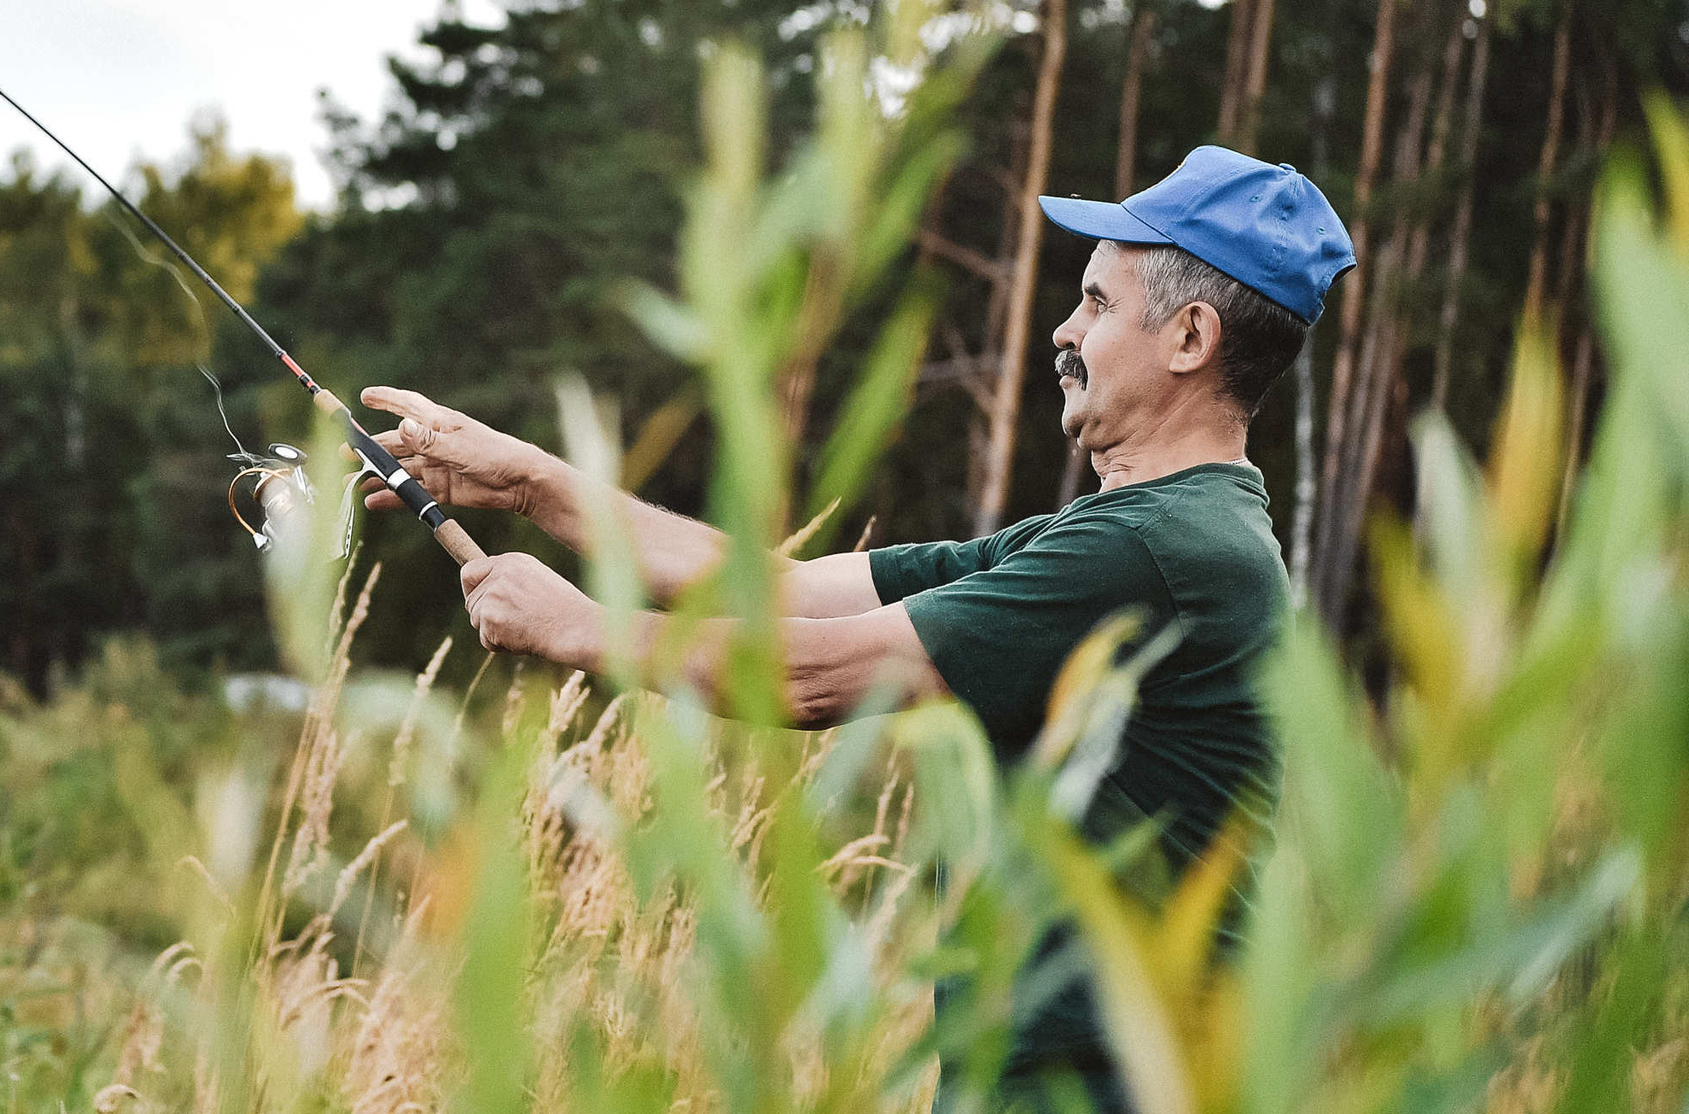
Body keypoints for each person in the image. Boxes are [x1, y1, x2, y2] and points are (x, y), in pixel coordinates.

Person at [360, 145, 1355, 1111]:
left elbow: (819, 675)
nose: (1063, 328)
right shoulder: (1123, 535)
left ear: (1188, 338)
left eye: (1096, 301)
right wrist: (526, 480)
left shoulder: (1162, 550)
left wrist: (582, 626)